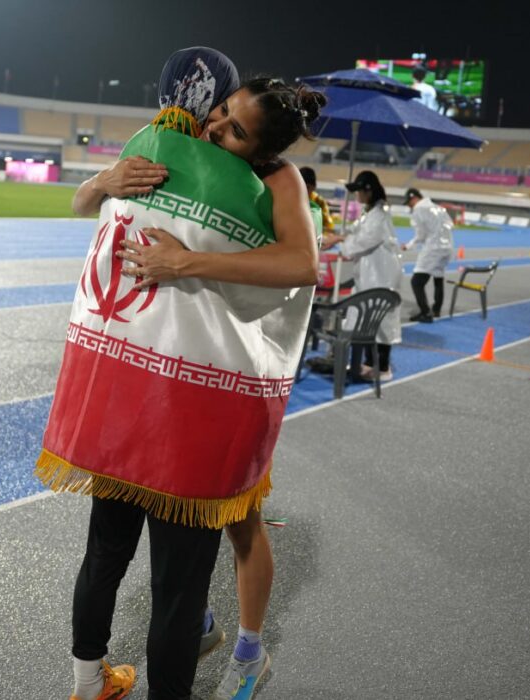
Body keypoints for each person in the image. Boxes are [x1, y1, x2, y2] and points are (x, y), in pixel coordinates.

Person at [47, 47, 324, 700]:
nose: (215, 128)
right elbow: (83, 204)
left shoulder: (280, 183)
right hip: (137, 391)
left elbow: (302, 267)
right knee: (120, 562)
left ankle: (243, 651)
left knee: (179, 584)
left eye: (234, 129)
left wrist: (186, 262)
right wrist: (104, 182)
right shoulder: (168, 143)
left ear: (261, 153)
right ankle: (88, 685)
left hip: (199, 405)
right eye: (222, 112)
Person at [320, 171, 404, 382]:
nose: (356, 195)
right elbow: (357, 233)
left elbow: (363, 240)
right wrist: (341, 237)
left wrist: (340, 241)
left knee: (380, 321)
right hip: (371, 275)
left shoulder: (380, 215)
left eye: (358, 191)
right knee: (366, 319)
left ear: (368, 190)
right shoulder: (372, 213)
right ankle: (368, 364)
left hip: (381, 276)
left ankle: (382, 369)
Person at [401, 187, 454, 322]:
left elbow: (421, 235)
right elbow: (450, 224)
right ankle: (436, 310)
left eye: (409, 203)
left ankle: (426, 312)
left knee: (416, 282)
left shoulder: (419, 209)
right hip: (447, 247)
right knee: (438, 277)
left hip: (434, 248)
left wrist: (408, 245)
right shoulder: (437, 208)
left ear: (414, 198)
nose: (409, 206)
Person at [298, 166, 335, 236]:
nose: (304, 190)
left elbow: (328, 227)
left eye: (308, 187)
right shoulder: (288, 199)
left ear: (314, 187)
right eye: (301, 186)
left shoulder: (319, 201)